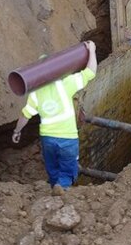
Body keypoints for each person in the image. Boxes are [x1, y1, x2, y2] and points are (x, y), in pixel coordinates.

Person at [12, 41, 98, 193]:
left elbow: (25, 115)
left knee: (53, 170)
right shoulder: (66, 84)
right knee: (67, 170)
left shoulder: (35, 93)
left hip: (48, 140)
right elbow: (90, 72)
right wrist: (92, 50)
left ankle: (56, 188)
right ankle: (62, 188)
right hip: (68, 138)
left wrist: (17, 131)